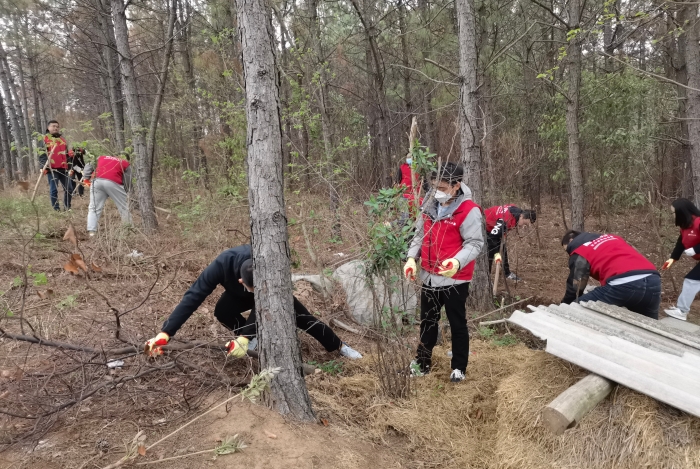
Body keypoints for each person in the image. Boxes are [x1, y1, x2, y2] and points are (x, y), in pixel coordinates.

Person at [145, 245, 363, 360]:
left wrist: (243, 337)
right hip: (237, 294)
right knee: (222, 311)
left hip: (275, 293)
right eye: (253, 288)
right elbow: (193, 296)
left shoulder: (266, 258)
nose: (256, 292)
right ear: (241, 281)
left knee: (304, 318)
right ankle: (255, 341)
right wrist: (166, 332)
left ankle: (341, 346)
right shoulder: (221, 265)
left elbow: (262, 306)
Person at [402, 162, 484, 383]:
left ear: (456, 186)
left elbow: (475, 243)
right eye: (435, 186)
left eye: (443, 187)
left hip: (455, 279)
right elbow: (419, 235)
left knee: (457, 323)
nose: (438, 191)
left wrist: (457, 262)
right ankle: (422, 363)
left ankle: (459, 367)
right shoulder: (429, 204)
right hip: (428, 275)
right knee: (427, 321)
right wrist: (411, 258)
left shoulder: (469, 211)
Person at [561, 230, 661, 319]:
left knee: (574, 309)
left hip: (623, 284)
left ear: (571, 241)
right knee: (651, 327)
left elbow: (576, 286)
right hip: (653, 280)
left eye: (568, 249)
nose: (570, 253)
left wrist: (563, 307)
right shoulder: (612, 238)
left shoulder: (580, 250)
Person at [662, 199, 700, 321]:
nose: (673, 216)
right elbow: (681, 244)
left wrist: (695, 249)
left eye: (674, 213)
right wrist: (672, 260)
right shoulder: (685, 226)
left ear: (682, 212)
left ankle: (682, 311)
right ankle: (681, 309)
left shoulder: (698, 222)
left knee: (691, 280)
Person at [83, 154, 133, 236]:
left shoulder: (101, 157)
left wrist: (86, 178)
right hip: (114, 183)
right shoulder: (125, 163)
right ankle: (129, 231)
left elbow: (89, 164)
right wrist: (126, 192)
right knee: (124, 208)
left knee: (94, 208)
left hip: (97, 182)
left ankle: (92, 232)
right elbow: (128, 181)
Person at [484, 204, 536, 281]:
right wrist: (497, 254)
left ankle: (507, 273)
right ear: (522, 216)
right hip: (485, 226)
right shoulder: (506, 220)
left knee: (503, 249)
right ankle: (486, 278)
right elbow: (492, 237)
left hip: (494, 227)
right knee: (491, 251)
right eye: (524, 223)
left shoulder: (515, 209)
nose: (522, 226)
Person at [38, 120, 73, 211]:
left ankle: (67, 207)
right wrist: (43, 167)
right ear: (48, 128)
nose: (55, 128)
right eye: (53, 126)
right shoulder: (44, 139)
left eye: (57, 126)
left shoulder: (62, 139)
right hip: (52, 169)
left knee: (69, 188)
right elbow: (42, 154)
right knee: (54, 190)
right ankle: (56, 209)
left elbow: (66, 155)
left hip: (63, 168)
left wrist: (69, 167)